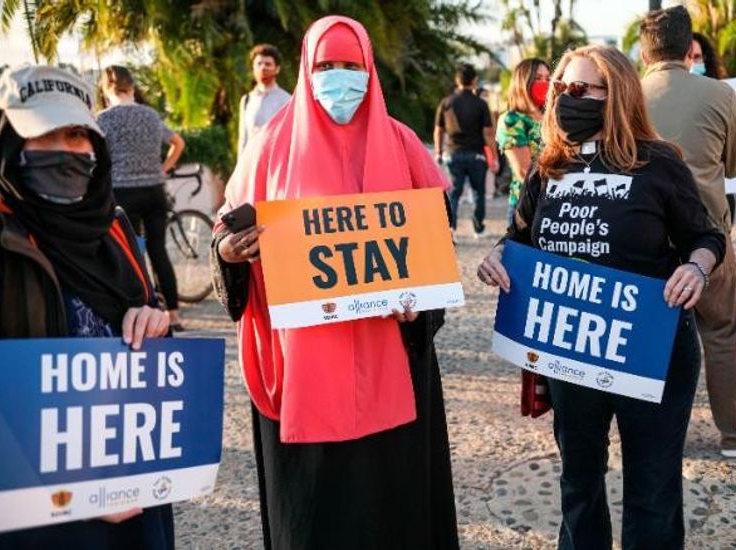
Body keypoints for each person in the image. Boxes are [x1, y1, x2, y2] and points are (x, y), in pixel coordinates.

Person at [211, 16, 459, 549]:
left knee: (395, 513)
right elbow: (225, 232)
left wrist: (422, 304)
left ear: (370, 69)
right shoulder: (268, 147)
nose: (340, 78)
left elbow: (438, 242)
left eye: (351, 66)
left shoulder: (402, 141)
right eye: (327, 66)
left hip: (393, 360)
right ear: (306, 68)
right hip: (303, 368)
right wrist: (229, 252)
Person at [478, 44, 726, 549]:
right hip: (572, 352)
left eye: (582, 89)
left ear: (616, 94)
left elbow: (706, 235)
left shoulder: (658, 162)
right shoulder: (548, 166)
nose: (568, 98)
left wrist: (697, 268)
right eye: (561, 88)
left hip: (651, 351)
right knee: (579, 481)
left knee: (652, 488)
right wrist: (496, 257)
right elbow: (519, 238)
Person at [0, 66, 172, 549]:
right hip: (44, 521)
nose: (67, 150)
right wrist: (68, 493)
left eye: (77, 134)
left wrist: (156, 323)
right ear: (6, 141)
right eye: (44, 133)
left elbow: (150, 327)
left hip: (136, 502)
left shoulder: (116, 229)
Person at [640, 5, 736, 458]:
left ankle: (654, 434)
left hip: (645, 242)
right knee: (722, 334)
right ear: (689, 49)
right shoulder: (719, 94)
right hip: (708, 239)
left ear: (644, 54)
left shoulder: (626, 97)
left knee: (648, 336)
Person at [98, 66, 187, 331]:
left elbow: (97, 158)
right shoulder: (149, 115)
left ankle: (140, 311)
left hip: (122, 193)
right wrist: (162, 169)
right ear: (132, 88)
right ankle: (173, 314)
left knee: (130, 254)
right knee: (159, 251)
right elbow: (178, 143)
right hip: (154, 192)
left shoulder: (103, 119)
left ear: (105, 90)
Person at [434, 63, 498, 238]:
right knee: (478, 192)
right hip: (476, 155)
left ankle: (451, 229)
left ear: (457, 80)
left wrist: (438, 152)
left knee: (454, 193)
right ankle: (478, 229)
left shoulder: (446, 103)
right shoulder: (480, 104)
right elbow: (488, 133)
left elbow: (438, 130)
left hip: (452, 154)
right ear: (475, 80)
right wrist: (493, 158)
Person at [689, 32, 736, 224]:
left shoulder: (725, 97)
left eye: (698, 57)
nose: (693, 63)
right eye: (688, 56)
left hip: (719, 196)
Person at [496, 58, 550, 226]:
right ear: (523, 81)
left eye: (547, 78)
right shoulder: (512, 120)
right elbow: (523, 171)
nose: (544, 83)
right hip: (528, 204)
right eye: (538, 78)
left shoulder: (551, 116)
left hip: (556, 202)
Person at [238, 44, 292, 154]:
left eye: (268, 64)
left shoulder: (287, 100)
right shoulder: (246, 100)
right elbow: (243, 139)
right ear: (253, 68)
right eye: (259, 64)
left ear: (277, 69)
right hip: (250, 164)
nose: (263, 68)